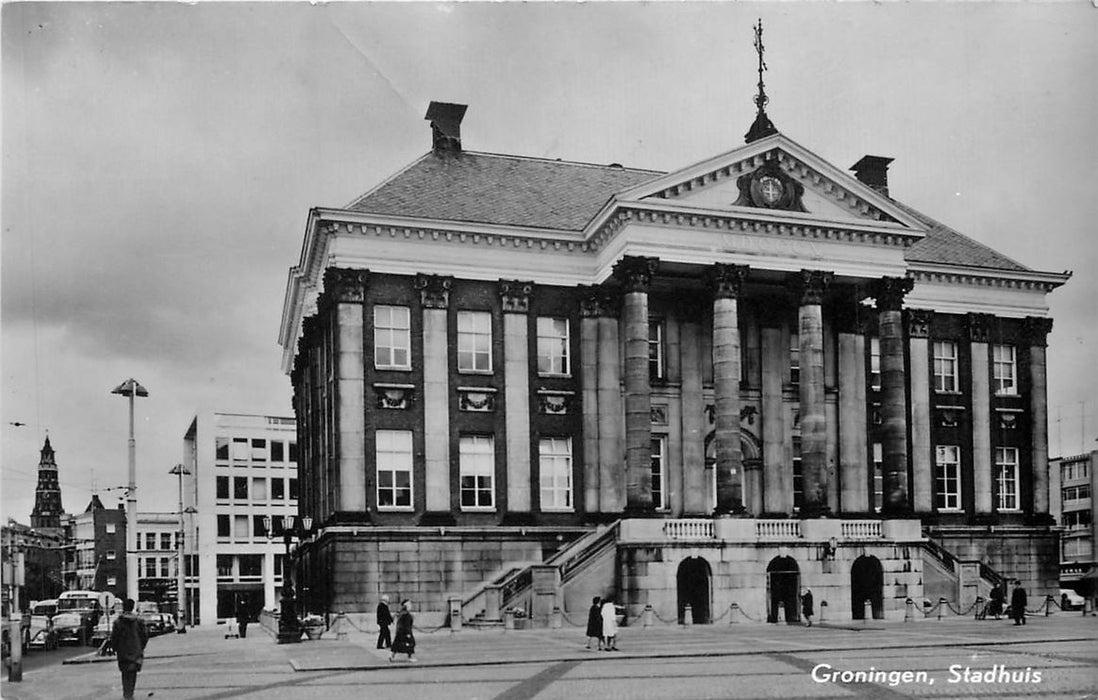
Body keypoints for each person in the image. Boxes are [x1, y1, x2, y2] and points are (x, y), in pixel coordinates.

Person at [110, 598, 148, 700]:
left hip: (123, 651)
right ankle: (130, 693)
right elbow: (145, 636)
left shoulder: (118, 622)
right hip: (136, 650)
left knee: (125, 673)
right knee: (133, 673)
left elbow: (114, 637)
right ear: (132, 607)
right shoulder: (139, 621)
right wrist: (140, 647)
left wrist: (115, 648)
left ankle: (126, 694)